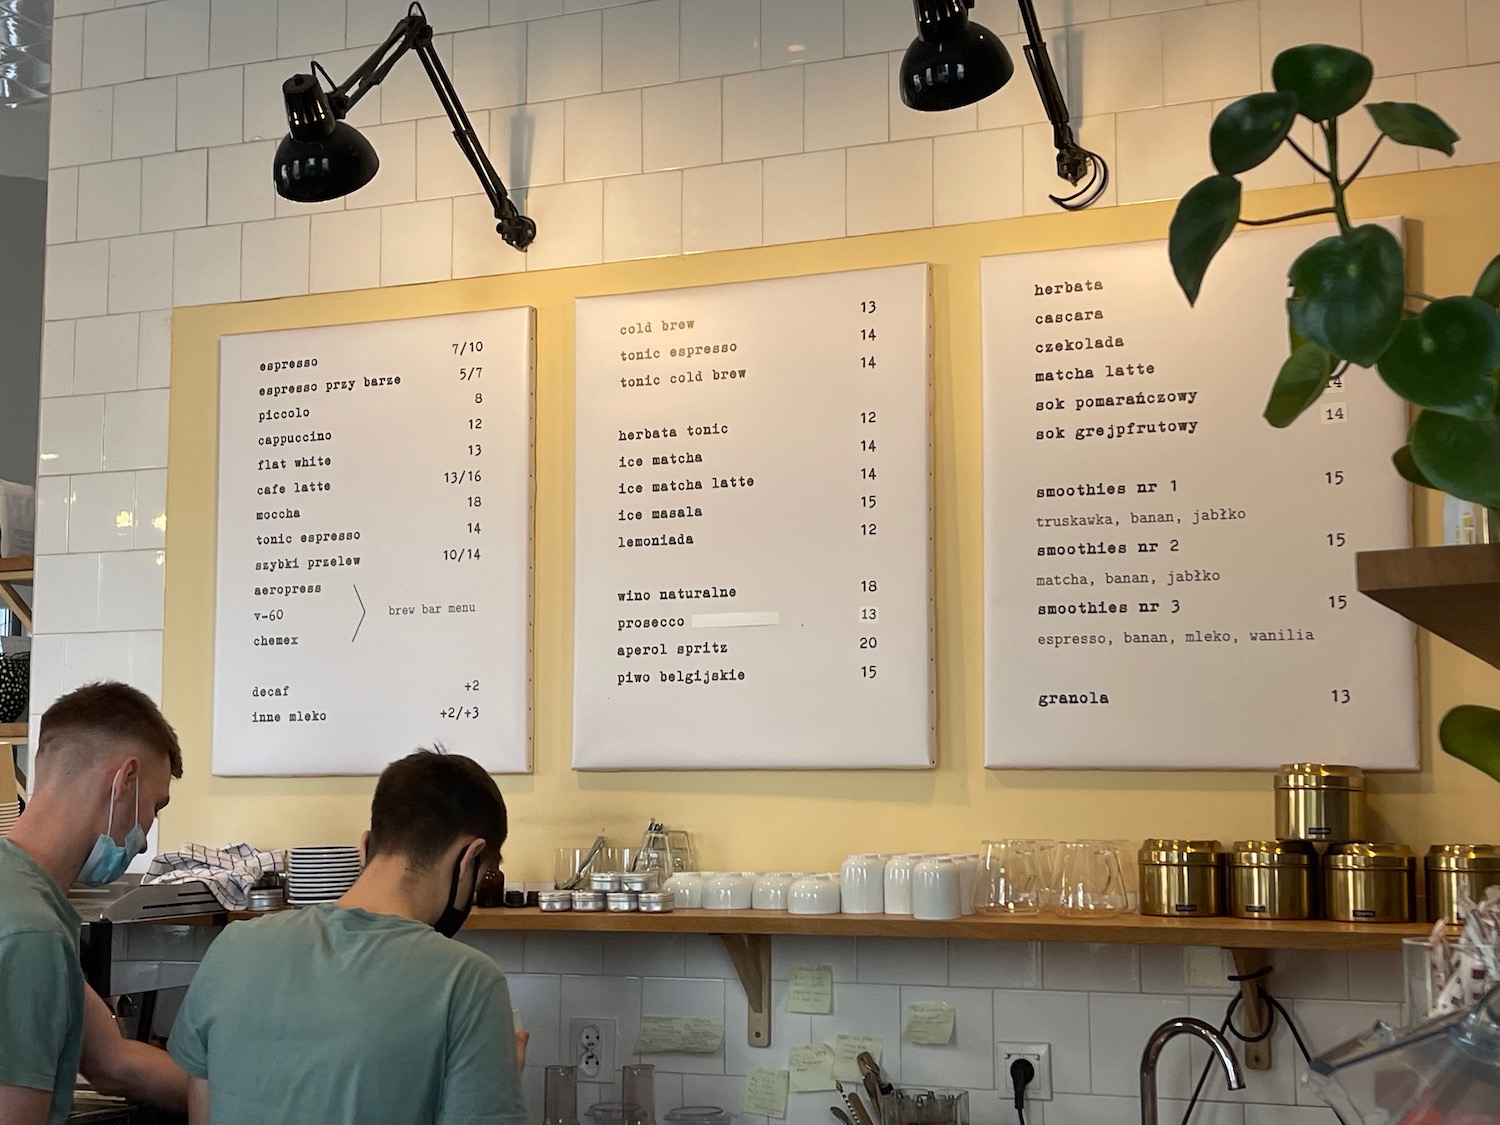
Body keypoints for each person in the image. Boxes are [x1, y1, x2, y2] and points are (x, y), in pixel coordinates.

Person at [169, 748, 528, 1125]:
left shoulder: (232, 948)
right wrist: (493, 1078)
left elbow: (203, 1112)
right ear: (468, 857)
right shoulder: (468, 981)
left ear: (365, 847)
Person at [0, 681, 190, 1125]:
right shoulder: (30, 933)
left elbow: (112, 1061)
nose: (143, 842)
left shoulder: (28, 905)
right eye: (154, 806)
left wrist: (266, 1096)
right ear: (125, 780)